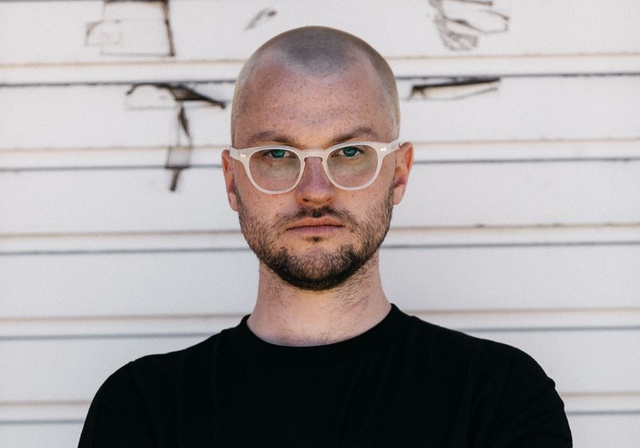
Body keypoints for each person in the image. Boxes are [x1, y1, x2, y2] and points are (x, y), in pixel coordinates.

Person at [78, 26, 572, 447]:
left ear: (398, 174)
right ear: (232, 181)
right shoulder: (144, 410)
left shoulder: (498, 401)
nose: (315, 191)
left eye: (351, 152)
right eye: (276, 155)